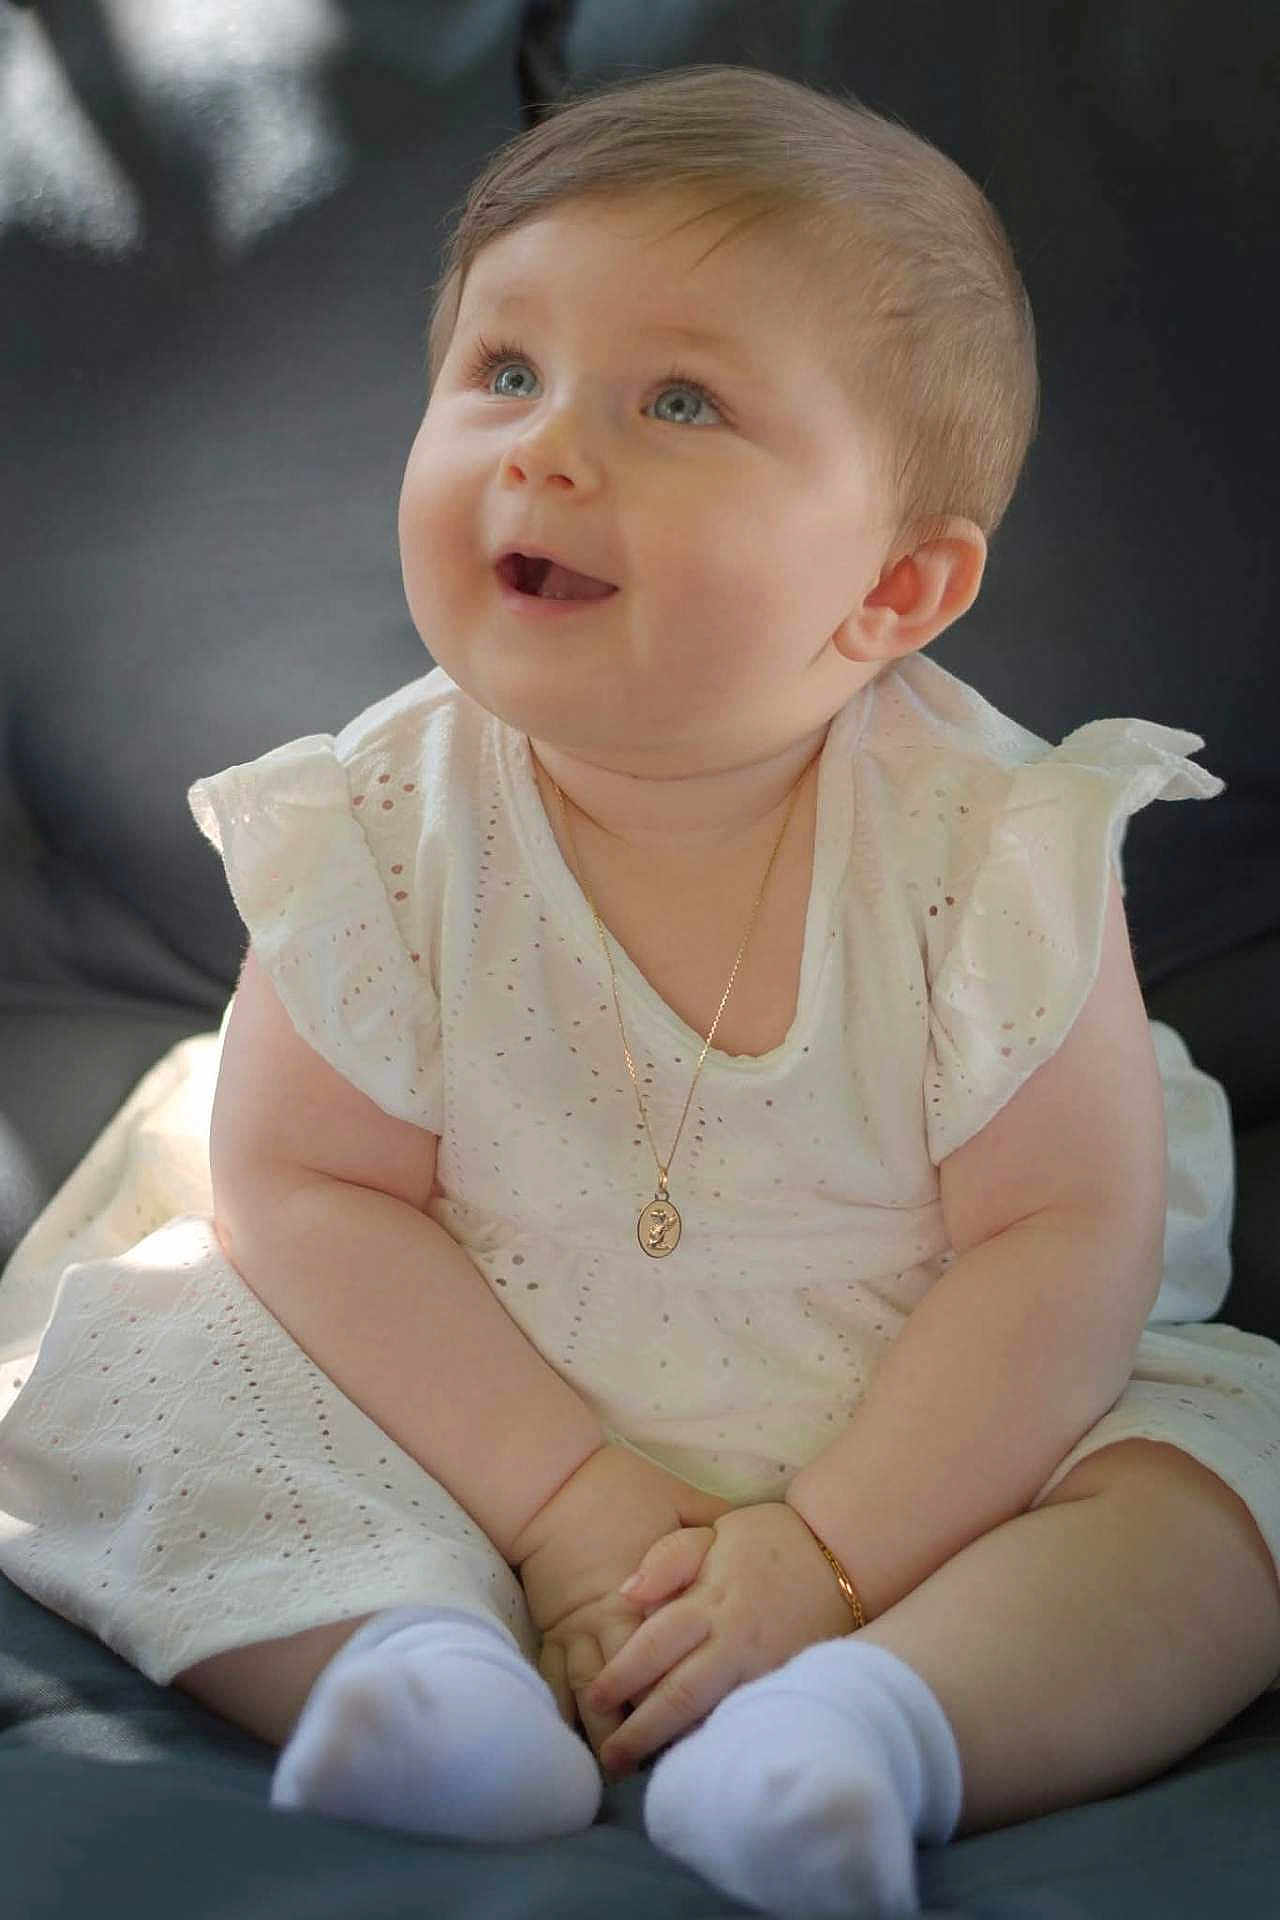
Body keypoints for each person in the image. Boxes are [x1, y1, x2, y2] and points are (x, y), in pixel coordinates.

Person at [2, 62, 1278, 1920]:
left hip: (926, 1428)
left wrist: (828, 1561)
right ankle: (412, 1675)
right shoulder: (372, 823)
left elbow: (1061, 1245)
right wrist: (561, 1506)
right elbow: (313, 1189)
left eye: (678, 399)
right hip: (463, 1396)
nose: (545, 448)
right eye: (504, 374)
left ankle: (874, 1726)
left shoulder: (988, 847)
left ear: (897, 591)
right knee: (149, 1371)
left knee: (1218, 1497)